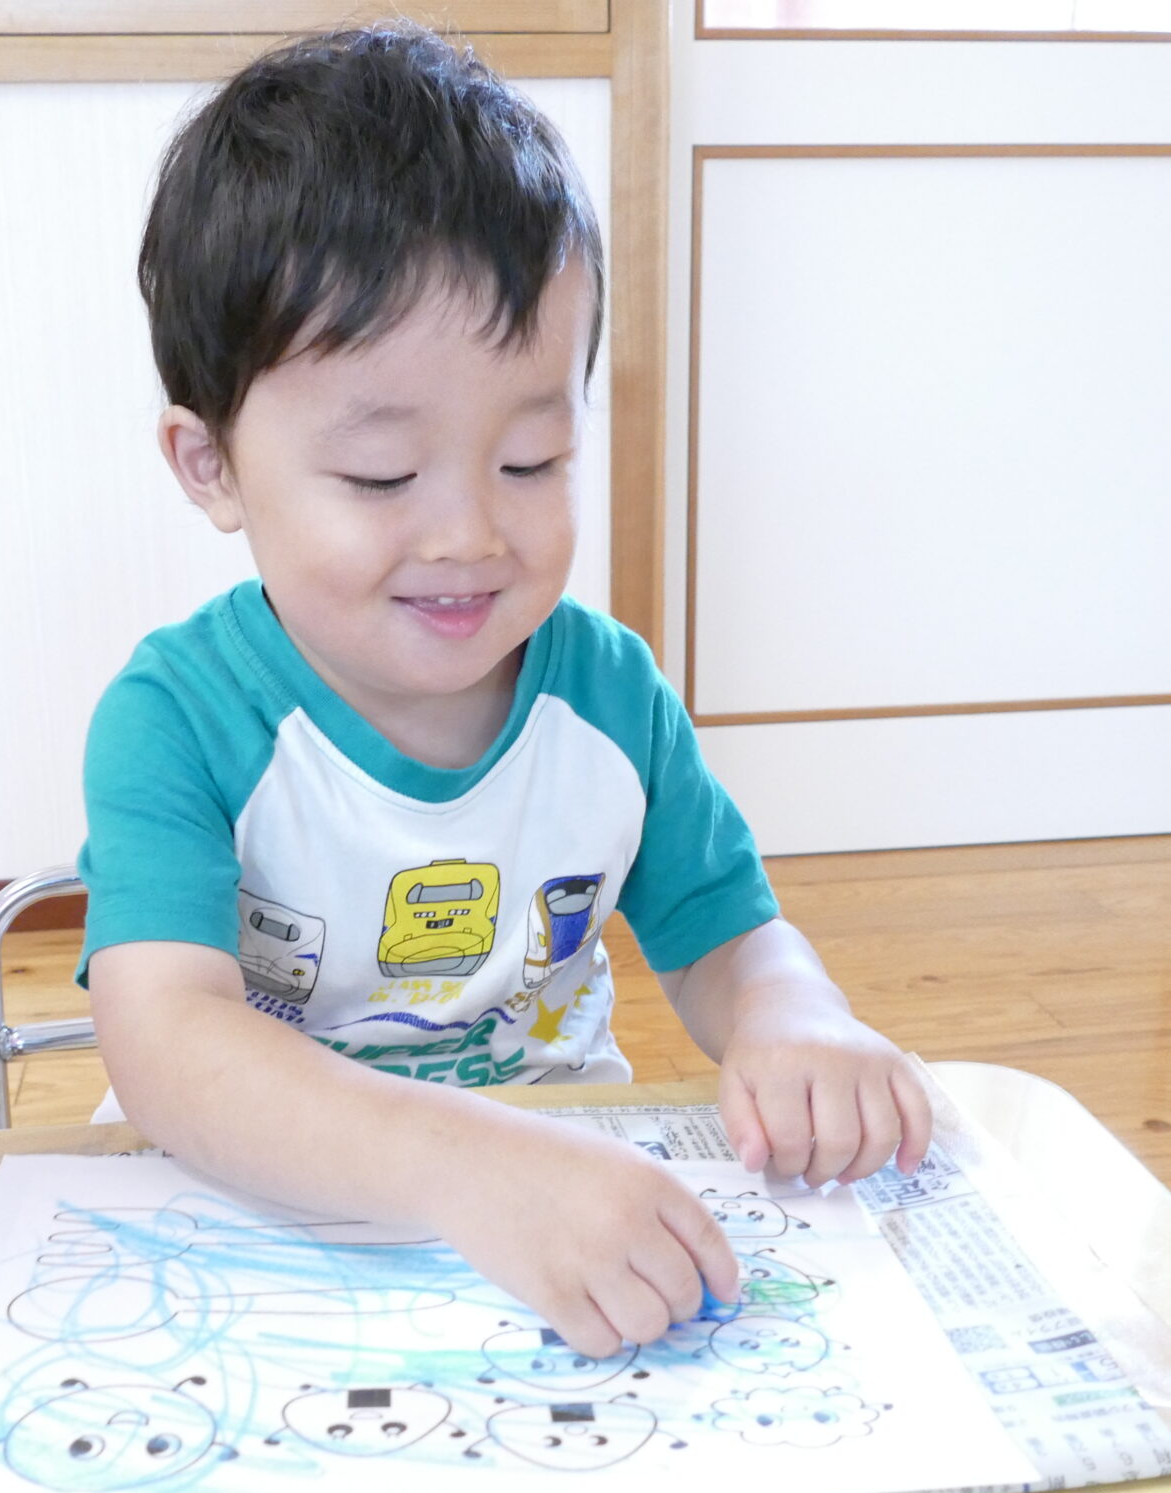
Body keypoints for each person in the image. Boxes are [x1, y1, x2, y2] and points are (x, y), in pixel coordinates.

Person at [81, 27, 933, 1359]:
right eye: (381, 477)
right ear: (212, 466)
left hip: (563, 1222)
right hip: (256, 1229)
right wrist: (466, 1167)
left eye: (531, 459)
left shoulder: (609, 696)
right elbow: (168, 1041)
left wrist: (794, 1016)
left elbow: (725, 938)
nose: (469, 533)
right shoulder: (179, 718)